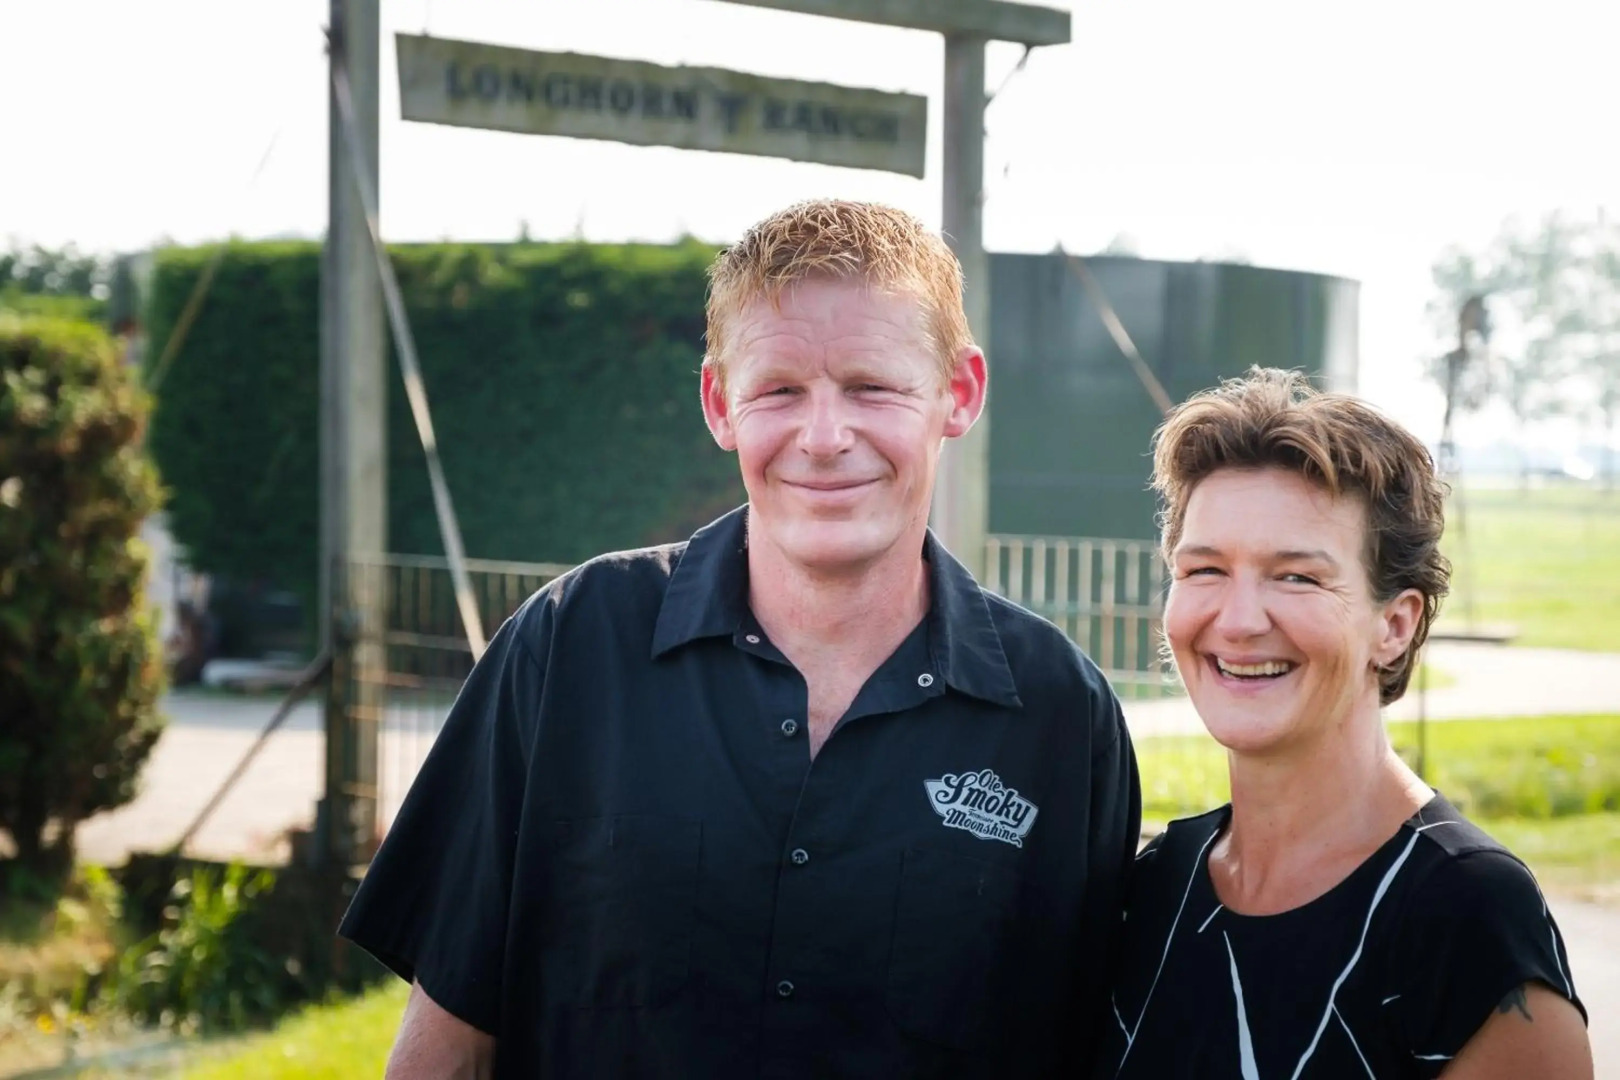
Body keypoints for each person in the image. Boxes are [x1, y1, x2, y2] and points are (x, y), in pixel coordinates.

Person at [339, 199, 1142, 1078]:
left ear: (959, 392)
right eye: (780, 391)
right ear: (721, 404)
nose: (826, 437)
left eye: (873, 386)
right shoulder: (571, 648)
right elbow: (444, 1051)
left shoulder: (1060, 716)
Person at [1100, 369, 1591, 1079]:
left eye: (1296, 577)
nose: (1238, 621)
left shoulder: (1467, 918)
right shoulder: (1155, 891)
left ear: (1395, 624)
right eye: (1205, 570)